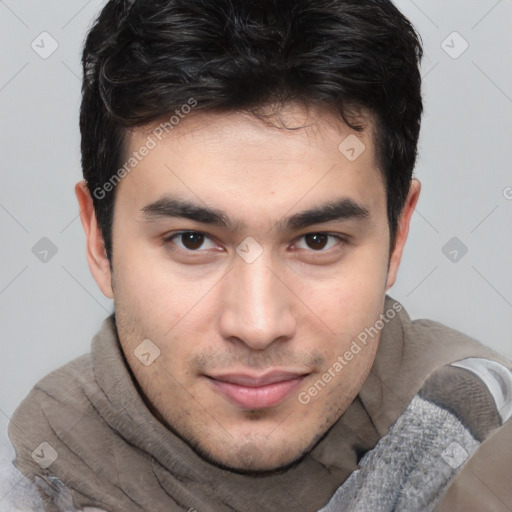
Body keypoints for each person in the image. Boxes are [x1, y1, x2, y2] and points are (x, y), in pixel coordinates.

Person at [6, 0, 512, 510]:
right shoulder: (41, 469)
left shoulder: (490, 452)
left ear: (397, 235)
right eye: (192, 240)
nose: (257, 325)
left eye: (317, 240)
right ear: (99, 241)